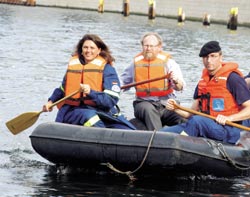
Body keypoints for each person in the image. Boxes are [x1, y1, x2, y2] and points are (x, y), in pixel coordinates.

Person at [160, 41, 250, 144]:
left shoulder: (233, 79)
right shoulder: (203, 82)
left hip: (227, 129)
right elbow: (191, 113)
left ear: (221, 57)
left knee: (197, 121)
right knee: (163, 133)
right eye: (205, 57)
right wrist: (176, 108)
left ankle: (180, 145)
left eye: (213, 56)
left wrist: (229, 118)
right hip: (203, 124)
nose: (209, 60)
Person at [43, 34, 136, 130]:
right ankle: (103, 138)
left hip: (102, 110)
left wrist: (90, 92)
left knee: (128, 129)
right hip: (74, 110)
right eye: (85, 47)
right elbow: (62, 90)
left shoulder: (108, 70)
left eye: (92, 48)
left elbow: (110, 100)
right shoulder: (73, 67)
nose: (88, 51)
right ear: (81, 50)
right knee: (90, 117)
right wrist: (50, 102)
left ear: (99, 50)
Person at [120, 32, 186, 130]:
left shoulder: (169, 63)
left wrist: (176, 81)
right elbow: (122, 83)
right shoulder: (135, 64)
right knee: (149, 110)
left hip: (166, 105)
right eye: (146, 45)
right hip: (143, 104)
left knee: (183, 118)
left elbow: (180, 87)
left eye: (152, 46)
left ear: (159, 47)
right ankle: (158, 139)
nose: (148, 49)